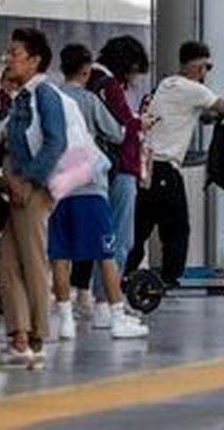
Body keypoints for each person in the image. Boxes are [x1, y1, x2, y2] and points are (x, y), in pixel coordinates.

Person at [53, 44, 147, 339]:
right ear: (85, 70)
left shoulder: (48, 97)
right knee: (107, 249)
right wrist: (138, 123)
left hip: (58, 185)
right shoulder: (89, 98)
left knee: (60, 254)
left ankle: (66, 321)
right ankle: (112, 313)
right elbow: (117, 133)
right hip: (88, 184)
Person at [0, 29, 67, 370]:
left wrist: (29, 180)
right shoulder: (21, 98)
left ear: (35, 60)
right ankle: (18, 337)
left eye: (14, 53)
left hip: (33, 190)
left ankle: (36, 338)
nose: (8, 59)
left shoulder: (44, 94)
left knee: (33, 262)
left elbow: (56, 141)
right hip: (18, 187)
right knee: (7, 264)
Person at [129, 41, 224, 285]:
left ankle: (124, 271)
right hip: (164, 167)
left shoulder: (168, 84)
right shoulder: (193, 89)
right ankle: (169, 278)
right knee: (176, 228)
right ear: (196, 65)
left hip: (146, 165)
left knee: (140, 226)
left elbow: (198, 114)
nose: (206, 73)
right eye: (206, 66)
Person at [76, 35, 149, 328]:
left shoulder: (88, 83)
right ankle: (107, 302)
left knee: (102, 237)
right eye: (135, 70)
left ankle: (100, 300)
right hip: (119, 169)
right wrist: (140, 123)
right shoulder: (108, 85)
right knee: (120, 238)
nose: (134, 77)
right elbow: (119, 128)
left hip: (93, 169)